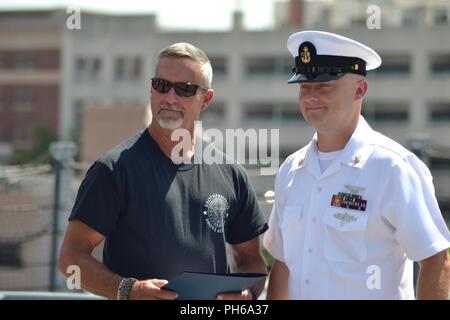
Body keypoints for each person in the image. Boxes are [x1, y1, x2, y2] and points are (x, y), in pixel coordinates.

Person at [59, 42, 268, 300]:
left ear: (206, 99)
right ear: (151, 89)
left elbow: (252, 263)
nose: (170, 97)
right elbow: (71, 259)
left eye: (185, 89)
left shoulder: (231, 174)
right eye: (161, 85)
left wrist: (246, 294)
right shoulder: (114, 170)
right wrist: (128, 290)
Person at [263, 31, 450, 299]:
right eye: (305, 87)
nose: (311, 97)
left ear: (360, 89)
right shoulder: (291, 169)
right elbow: (282, 263)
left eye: (324, 86)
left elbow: (435, 260)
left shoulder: (392, 167)